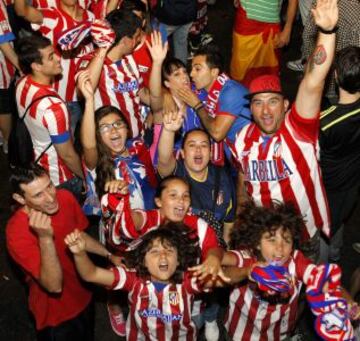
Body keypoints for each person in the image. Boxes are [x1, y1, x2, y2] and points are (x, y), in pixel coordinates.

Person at [231, 0, 339, 261]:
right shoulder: (242, 140)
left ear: (286, 105)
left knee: (312, 294)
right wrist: (240, 219)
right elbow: (244, 181)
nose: (265, 111)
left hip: (304, 238)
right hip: (265, 240)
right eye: (258, 103)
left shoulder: (298, 128)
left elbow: (314, 80)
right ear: (251, 109)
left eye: (273, 101)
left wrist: (326, 32)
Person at [222, 201, 357, 340]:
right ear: (257, 243)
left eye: (286, 240)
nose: (280, 248)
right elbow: (225, 274)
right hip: (239, 332)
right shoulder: (248, 256)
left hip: (278, 334)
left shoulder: (297, 262)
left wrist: (348, 302)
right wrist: (246, 272)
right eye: (272, 240)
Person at [5, 164, 111, 340]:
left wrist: (108, 254)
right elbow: (54, 286)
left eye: (50, 186)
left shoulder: (65, 197)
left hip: (84, 294)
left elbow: (79, 235)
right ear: (20, 199)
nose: (50, 198)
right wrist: (45, 238)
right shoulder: (16, 232)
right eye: (38, 195)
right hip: (56, 316)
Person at [65, 224, 222, 340]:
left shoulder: (188, 280)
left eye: (169, 250)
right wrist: (79, 254)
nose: (163, 256)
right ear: (144, 261)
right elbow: (91, 274)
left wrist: (240, 270)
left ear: (178, 259)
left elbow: (226, 278)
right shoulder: (133, 280)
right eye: (154, 251)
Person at [15, 33, 84, 198]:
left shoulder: (22, 83)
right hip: (60, 177)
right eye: (51, 57)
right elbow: (67, 154)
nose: (58, 59)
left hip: (37, 165)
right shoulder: (54, 108)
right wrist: (85, 177)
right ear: (36, 66)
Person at [14, 0, 95, 133]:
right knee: (64, 147)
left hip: (87, 94)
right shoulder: (53, 16)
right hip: (62, 98)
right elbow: (22, 11)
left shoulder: (91, 17)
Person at [158, 111, 236, 243]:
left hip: (213, 248)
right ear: (182, 153)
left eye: (204, 145)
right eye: (192, 145)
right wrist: (168, 131)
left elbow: (229, 225)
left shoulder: (223, 177)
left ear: (211, 154)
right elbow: (164, 161)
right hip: (180, 245)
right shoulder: (176, 174)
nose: (198, 150)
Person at [78, 9, 150, 138]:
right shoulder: (91, 61)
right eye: (136, 36)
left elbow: (141, 92)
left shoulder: (130, 59)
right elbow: (84, 91)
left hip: (138, 139)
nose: (139, 40)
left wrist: (161, 104)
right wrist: (103, 48)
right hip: (110, 144)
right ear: (125, 40)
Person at [175, 43, 251, 165]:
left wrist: (197, 105)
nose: (191, 74)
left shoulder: (231, 91)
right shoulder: (206, 90)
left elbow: (217, 133)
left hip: (254, 154)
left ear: (214, 72)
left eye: (198, 69)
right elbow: (171, 87)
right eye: (192, 68)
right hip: (237, 156)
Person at [319, 46, 360, 262]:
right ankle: (335, 256)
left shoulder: (326, 122)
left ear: (335, 76)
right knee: (338, 223)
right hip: (352, 183)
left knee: (324, 231)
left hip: (328, 188)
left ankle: (324, 269)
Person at [301, 0, 360, 103]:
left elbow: (308, 35)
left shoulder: (321, 2)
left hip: (319, 76)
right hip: (344, 85)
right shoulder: (356, 12)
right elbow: (355, 61)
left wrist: (308, 63)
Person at [230, 0, 298, 87]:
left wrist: (288, 28)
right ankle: (239, 95)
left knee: (268, 65)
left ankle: (264, 93)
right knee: (240, 65)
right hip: (246, 20)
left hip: (271, 22)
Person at [0, 0, 20, 154]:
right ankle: (7, 141)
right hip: (1, 69)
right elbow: (4, 42)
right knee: (4, 106)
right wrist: (22, 67)